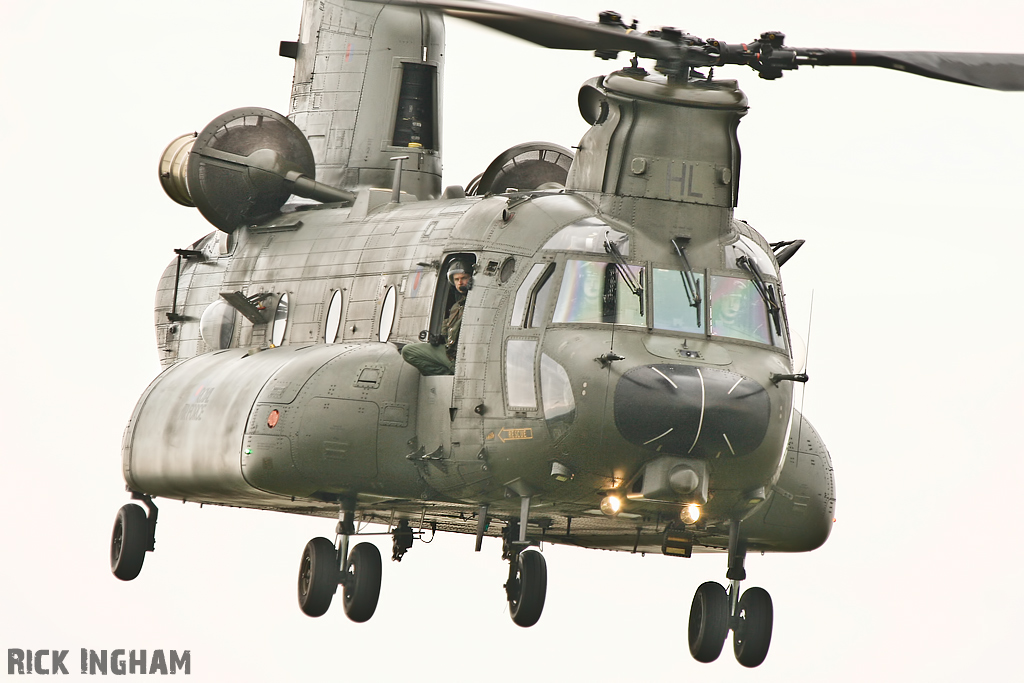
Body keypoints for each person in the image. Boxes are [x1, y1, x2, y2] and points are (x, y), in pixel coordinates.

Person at [401, 261, 471, 375]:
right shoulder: (456, 306)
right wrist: (439, 339)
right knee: (408, 351)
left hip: (463, 356)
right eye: (457, 280)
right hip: (451, 354)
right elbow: (449, 330)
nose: (460, 282)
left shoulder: (474, 302)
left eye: (464, 278)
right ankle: (446, 373)